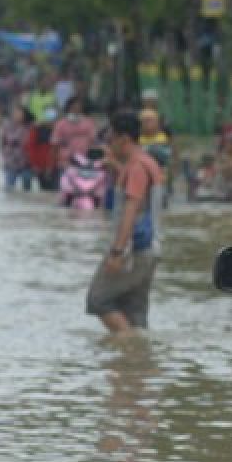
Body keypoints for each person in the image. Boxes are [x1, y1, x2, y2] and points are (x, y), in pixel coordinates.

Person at [85, 111, 165, 334]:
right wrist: (116, 168)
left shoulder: (136, 167)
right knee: (135, 314)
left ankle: (127, 346)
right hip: (151, 247)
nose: (108, 144)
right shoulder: (146, 164)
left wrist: (117, 252)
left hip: (134, 249)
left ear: (124, 139)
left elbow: (131, 209)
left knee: (98, 300)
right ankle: (136, 362)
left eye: (111, 138)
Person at [51, 96, 98, 171]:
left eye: (78, 108)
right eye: (73, 108)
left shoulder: (89, 123)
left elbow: (94, 141)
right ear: (68, 108)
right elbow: (54, 144)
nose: (76, 111)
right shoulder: (60, 124)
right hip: (65, 162)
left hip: (84, 161)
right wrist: (52, 164)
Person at [0, 103, 34, 191]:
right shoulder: (7, 125)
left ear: (24, 114)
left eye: (19, 113)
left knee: (27, 187)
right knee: (9, 186)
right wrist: (4, 155)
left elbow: (33, 143)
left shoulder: (30, 126)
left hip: (26, 160)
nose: (16, 115)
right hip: (11, 159)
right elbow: (2, 142)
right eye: (15, 113)